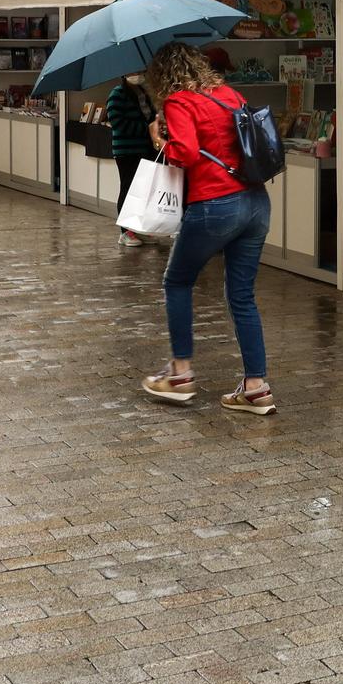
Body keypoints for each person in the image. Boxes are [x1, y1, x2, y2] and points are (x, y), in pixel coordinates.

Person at [138, 43, 275, 414]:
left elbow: (185, 154)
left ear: (160, 76)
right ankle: (256, 387)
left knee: (177, 281)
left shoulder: (178, 102)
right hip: (256, 203)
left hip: (217, 204)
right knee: (242, 295)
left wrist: (158, 136)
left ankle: (180, 374)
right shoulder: (228, 93)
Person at [106, 72, 157, 246]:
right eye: (133, 72)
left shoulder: (143, 92)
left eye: (140, 71)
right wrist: (147, 128)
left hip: (145, 148)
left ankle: (136, 228)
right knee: (127, 189)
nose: (138, 75)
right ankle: (125, 231)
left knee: (142, 191)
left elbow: (150, 115)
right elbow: (118, 123)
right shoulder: (117, 94)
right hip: (126, 151)